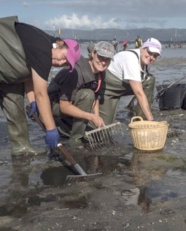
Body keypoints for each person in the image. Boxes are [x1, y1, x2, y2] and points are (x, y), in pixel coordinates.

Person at [0, 16, 81, 156]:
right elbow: (41, 93)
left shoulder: (44, 49)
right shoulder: (43, 49)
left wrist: (32, 102)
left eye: (66, 64)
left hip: (8, 69)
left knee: (15, 100)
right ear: (59, 44)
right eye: (64, 57)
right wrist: (51, 129)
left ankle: (21, 147)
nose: (61, 63)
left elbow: (29, 76)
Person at [48, 41, 115, 148]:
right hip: (52, 105)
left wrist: (96, 118)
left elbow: (96, 97)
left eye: (107, 59)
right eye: (100, 57)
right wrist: (90, 116)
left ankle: (71, 124)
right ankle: (75, 140)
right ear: (93, 54)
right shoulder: (77, 72)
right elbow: (64, 106)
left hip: (71, 101)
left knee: (90, 97)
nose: (103, 62)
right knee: (87, 95)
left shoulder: (100, 72)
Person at [98, 37, 162, 125]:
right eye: (150, 52)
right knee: (103, 124)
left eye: (155, 56)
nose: (151, 57)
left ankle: (142, 121)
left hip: (124, 87)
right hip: (108, 90)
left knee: (149, 79)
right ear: (142, 49)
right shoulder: (131, 59)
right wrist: (152, 120)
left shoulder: (146, 62)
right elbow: (139, 93)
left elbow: (140, 88)